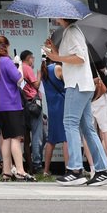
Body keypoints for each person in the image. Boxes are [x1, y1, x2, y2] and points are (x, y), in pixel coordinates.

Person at [42, 16, 107, 186]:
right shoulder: (72, 31)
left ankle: (75, 170)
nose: (53, 17)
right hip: (82, 84)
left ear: (63, 16)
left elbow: (80, 58)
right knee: (87, 128)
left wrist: (57, 58)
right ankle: (103, 169)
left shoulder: (72, 31)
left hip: (77, 85)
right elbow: (73, 58)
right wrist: (56, 52)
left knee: (70, 123)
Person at [0, 35, 31, 181]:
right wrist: (19, 66)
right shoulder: (7, 62)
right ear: (6, 46)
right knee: (15, 138)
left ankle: (6, 171)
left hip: (0, 106)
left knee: (6, 138)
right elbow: (19, 79)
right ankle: (20, 170)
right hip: (12, 104)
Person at [41, 39, 67, 175]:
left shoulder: (44, 70)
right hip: (62, 105)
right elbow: (67, 81)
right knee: (66, 138)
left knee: (51, 140)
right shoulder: (57, 68)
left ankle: (46, 170)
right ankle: (70, 168)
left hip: (52, 107)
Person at [19, 49, 44, 175]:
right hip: (33, 105)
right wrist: (39, 75)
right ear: (28, 58)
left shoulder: (19, 68)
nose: (33, 60)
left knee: (27, 138)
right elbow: (36, 85)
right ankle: (37, 164)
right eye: (32, 58)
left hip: (23, 105)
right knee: (37, 135)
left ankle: (29, 166)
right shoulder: (27, 68)